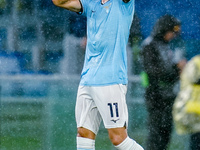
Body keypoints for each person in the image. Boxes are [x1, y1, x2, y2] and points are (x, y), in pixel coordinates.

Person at [52, 0, 144, 150]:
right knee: (83, 135)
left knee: (118, 139)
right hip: (87, 80)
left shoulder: (122, 4)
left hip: (111, 80)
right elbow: (59, 1)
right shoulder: (91, 4)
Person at [140, 14, 186, 150]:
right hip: (155, 96)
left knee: (165, 134)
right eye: (171, 31)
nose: (173, 35)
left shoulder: (164, 46)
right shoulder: (149, 45)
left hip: (168, 96)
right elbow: (155, 72)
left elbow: (166, 72)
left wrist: (177, 71)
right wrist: (177, 69)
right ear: (164, 29)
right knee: (156, 135)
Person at [173, 55, 200, 150]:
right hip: (195, 110)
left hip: (194, 107)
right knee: (196, 139)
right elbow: (193, 80)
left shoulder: (194, 62)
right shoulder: (196, 63)